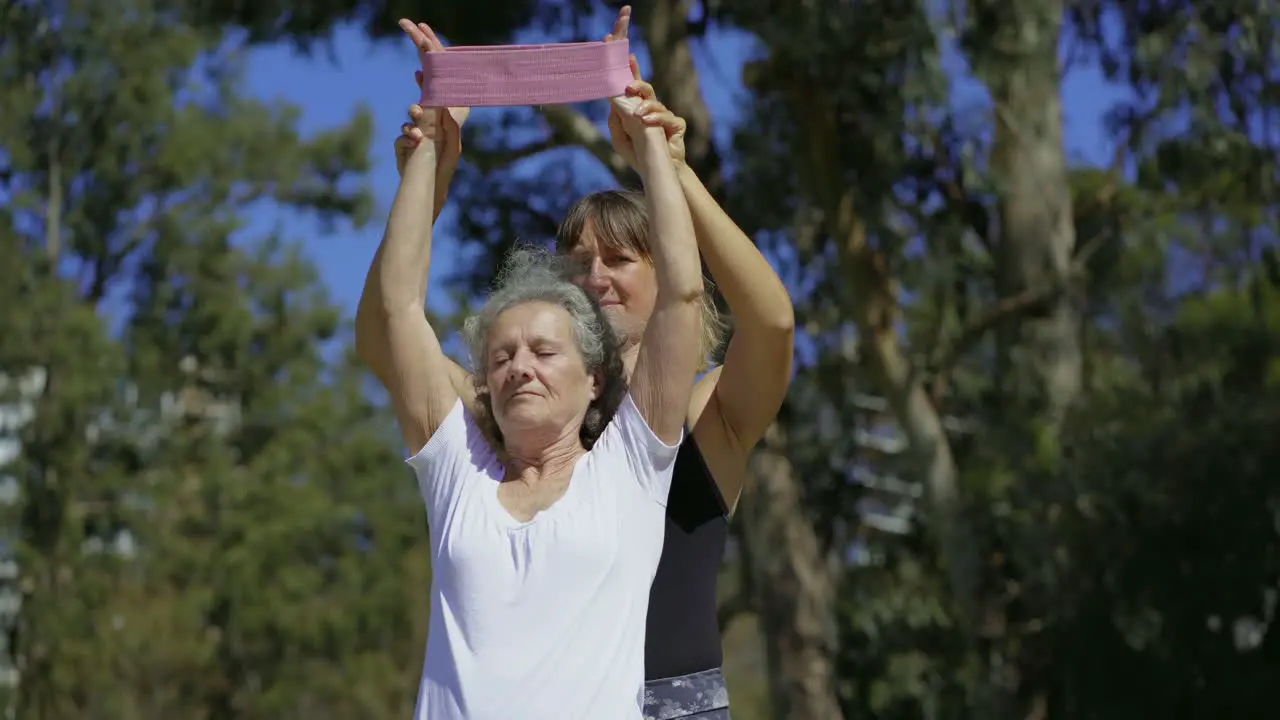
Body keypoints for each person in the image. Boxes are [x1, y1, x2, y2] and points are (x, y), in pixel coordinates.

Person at [393, 11, 795, 719]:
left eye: (619, 258)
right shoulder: (510, 420)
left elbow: (771, 324)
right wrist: (431, 171)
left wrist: (668, 168)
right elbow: (392, 334)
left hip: (675, 705)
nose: (597, 275)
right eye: (578, 262)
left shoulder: (703, 416)